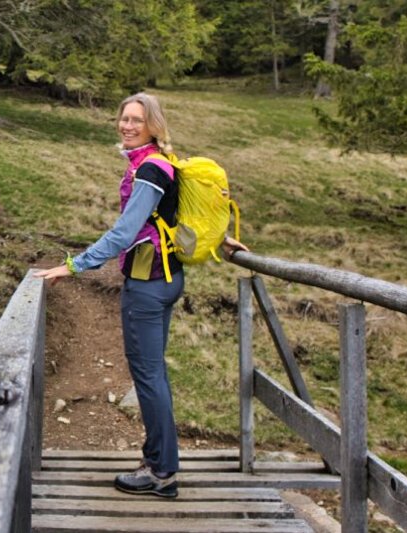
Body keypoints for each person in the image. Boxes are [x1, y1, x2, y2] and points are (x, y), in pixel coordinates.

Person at [33, 92, 247, 499]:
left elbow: (123, 233)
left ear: (153, 125)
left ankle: (161, 473)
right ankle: (158, 460)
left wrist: (73, 266)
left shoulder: (149, 169)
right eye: (124, 118)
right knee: (154, 375)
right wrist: (220, 240)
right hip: (167, 278)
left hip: (148, 284)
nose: (127, 125)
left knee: (148, 377)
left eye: (137, 120)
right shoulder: (162, 162)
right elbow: (176, 214)